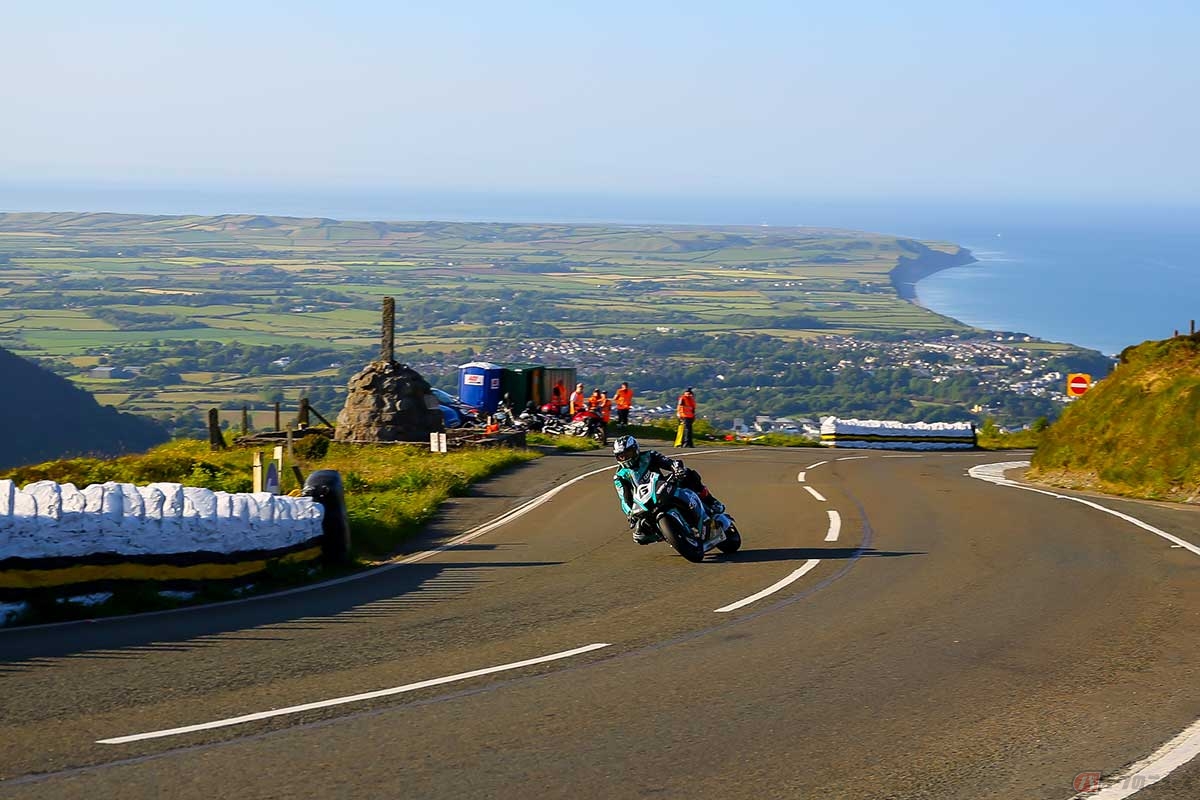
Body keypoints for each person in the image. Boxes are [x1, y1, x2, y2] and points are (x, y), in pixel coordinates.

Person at [611, 436, 723, 544]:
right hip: (645, 501)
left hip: (663, 486)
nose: (625, 458)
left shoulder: (649, 455)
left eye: (627, 454)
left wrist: (677, 469)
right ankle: (667, 534)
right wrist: (629, 512)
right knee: (640, 535)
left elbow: (668, 463)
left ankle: (711, 501)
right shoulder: (619, 476)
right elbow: (624, 497)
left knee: (688, 474)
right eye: (621, 456)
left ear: (635, 450)